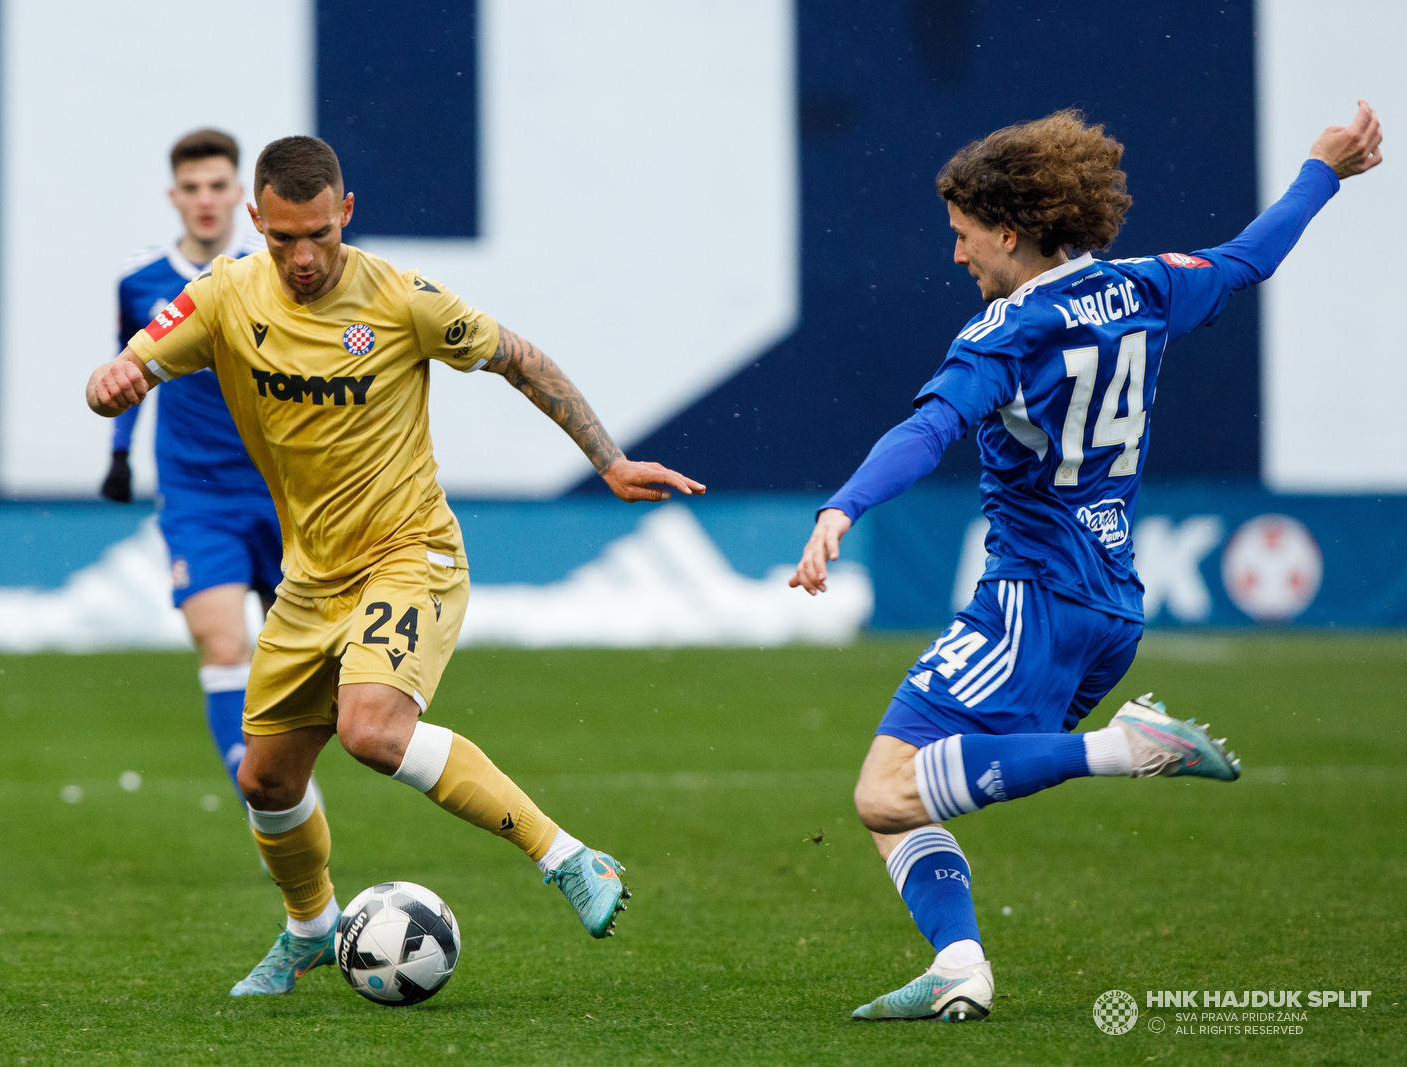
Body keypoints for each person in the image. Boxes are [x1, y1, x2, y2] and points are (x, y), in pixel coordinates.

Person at [791, 103, 1382, 1022]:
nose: (956, 256)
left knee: (884, 786)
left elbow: (930, 427)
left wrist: (843, 506)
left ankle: (1124, 749)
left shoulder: (1007, 332)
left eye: (962, 235)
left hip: (1033, 601)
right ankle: (957, 965)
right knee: (899, 788)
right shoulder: (1145, 287)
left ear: (1011, 232)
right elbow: (1247, 258)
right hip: (1111, 607)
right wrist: (1321, 170)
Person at [86, 135, 705, 997]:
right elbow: (132, 359)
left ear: (345, 212)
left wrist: (608, 460)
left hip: (409, 553)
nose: (303, 259)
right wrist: (114, 380)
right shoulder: (223, 293)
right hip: (312, 578)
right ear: (257, 221)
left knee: (370, 729)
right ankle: (308, 929)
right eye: (284, 239)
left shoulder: (403, 300)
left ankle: (567, 855)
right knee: (264, 777)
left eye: (320, 236)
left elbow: (518, 357)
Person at [102, 129, 275, 803]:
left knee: (306, 663)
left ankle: (282, 775)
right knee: (224, 644)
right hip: (196, 495)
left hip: (280, 490)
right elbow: (128, 369)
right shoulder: (139, 279)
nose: (206, 200)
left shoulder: (270, 275)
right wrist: (118, 454)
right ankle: (257, 789)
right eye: (193, 188)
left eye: (218, 186)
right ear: (175, 197)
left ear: (240, 195)